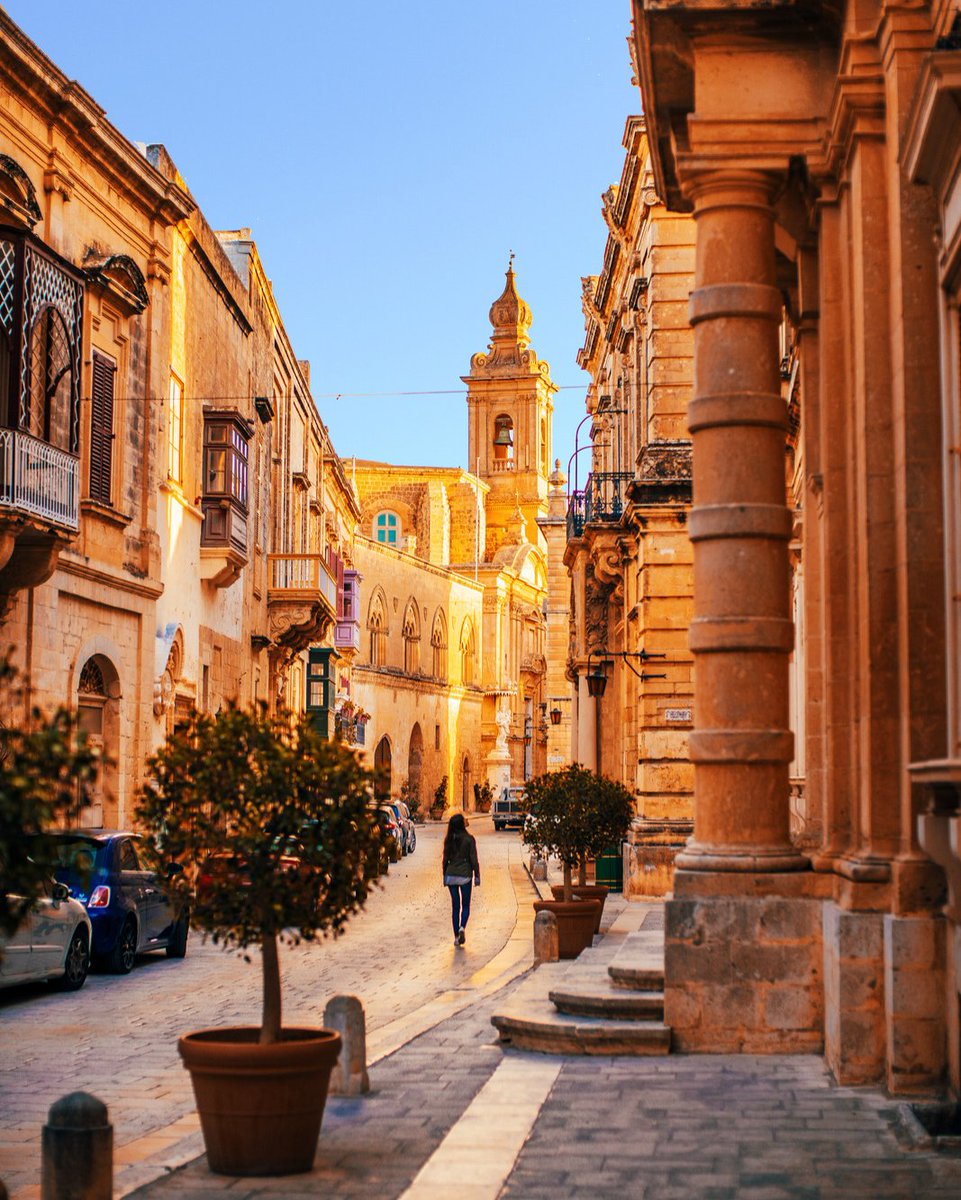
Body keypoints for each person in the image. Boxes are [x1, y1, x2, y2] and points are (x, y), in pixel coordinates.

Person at [442, 811, 480, 946]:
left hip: (451, 875)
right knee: (465, 906)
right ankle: (462, 927)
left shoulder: (448, 840)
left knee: (455, 907)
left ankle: (456, 937)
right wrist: (477, 875)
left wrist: (444, 876)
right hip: (465, 875)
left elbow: (445, 859)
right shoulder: (469, 839)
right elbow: (473, 859)